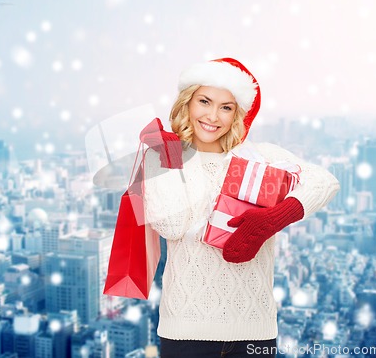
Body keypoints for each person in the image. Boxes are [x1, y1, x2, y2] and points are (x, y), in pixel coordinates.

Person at [139, 57, 340, 358]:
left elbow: (325, 182)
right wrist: (177, 153)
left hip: (254, 331)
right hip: (185, 333)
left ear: (238, 114)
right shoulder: (163, 158)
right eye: (204, 101)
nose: (212, 116)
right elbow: (173, 225)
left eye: (226, 107)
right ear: (187, 103)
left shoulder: (260, 157)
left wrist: (273, 218)